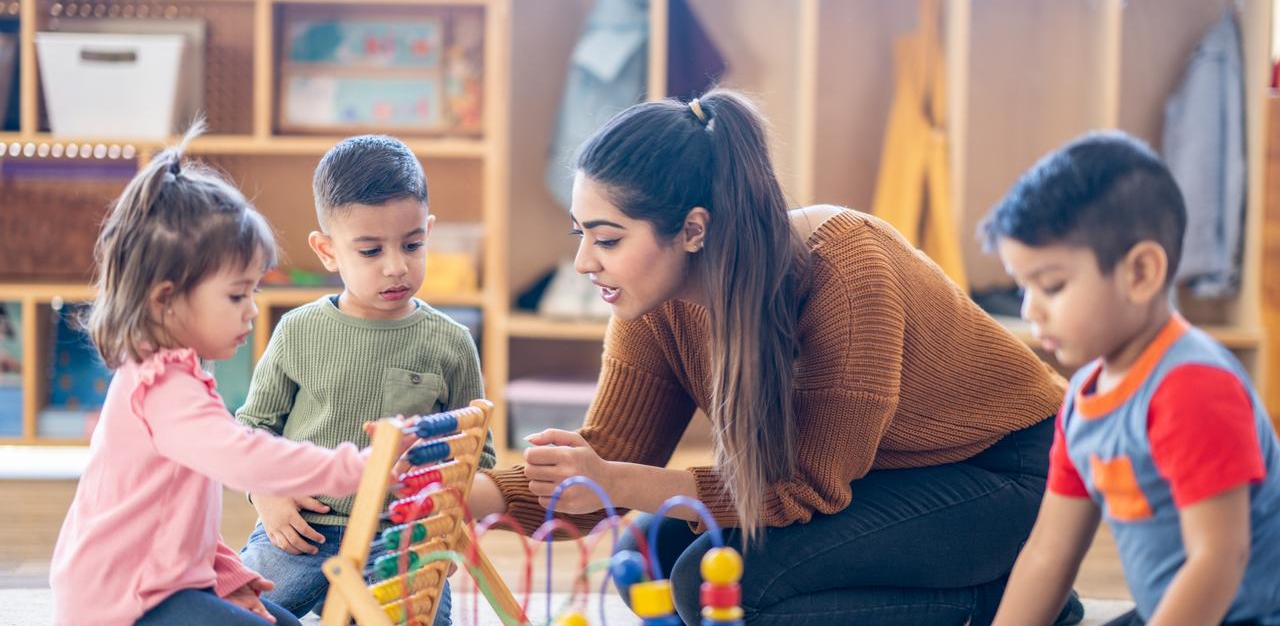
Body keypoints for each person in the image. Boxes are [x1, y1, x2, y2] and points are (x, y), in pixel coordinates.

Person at [469, 90, 1080, 625]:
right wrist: (472, 497)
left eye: (608, 240)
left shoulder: (846, 271)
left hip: (1012, 472)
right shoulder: (650, 301)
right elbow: (611, 461)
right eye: (583, 236)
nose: (584, 263)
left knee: (713, 586)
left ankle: (1005, 599)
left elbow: (804, 486)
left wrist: (616, 480)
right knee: (647, 557)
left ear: (693, 230)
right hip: (883, 473)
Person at [50, 124, 377, 626]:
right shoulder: (163, 387)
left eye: (253, 293)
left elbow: (173, 518)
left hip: (162, 584)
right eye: (235, 295)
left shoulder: (169, 374)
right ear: (165, 298)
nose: (251, 312)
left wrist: (227, 577)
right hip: (126, 603)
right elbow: (246, 460)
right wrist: (359, 468)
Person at [987, 132, 1280, 626]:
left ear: (1141, 273)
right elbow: (1048, 554)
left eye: (1051, 286)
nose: (1029, 310)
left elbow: (1218, 560)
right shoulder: (1084, 400)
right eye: (1023, 286)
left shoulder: (1193, 387)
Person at [236, 134, 495, 623]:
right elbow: (251, 430)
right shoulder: (298, 330)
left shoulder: (452, 342)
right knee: (231, 610)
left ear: (428, 231)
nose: (396, 266)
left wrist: (437, 515)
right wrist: (265, 494)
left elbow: (478, 453)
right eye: (371, 251)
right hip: (302, 531)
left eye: (413, 244)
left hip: (401, 540)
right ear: (328, 250)